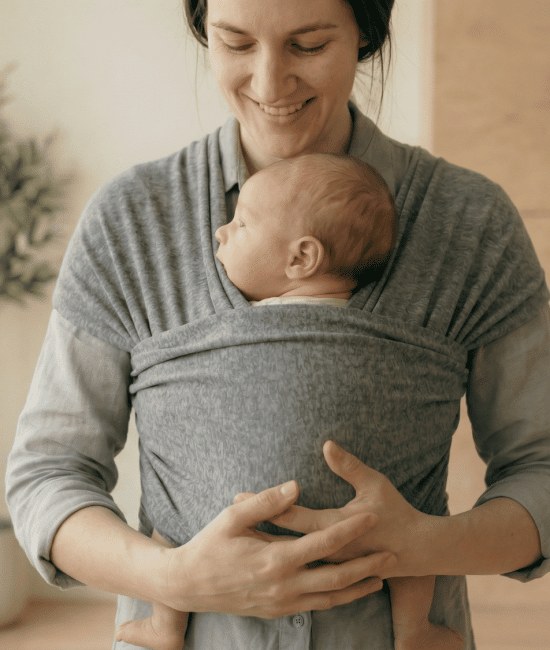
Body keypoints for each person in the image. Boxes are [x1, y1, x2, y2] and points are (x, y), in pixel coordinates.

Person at [5, 1, 550, 649]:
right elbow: (47, 477)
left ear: (365, 34)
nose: (268, 83)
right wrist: (174, 578)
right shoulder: (132, 222)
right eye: (235, 43)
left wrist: (424, 546)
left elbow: (540, 466)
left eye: (309, 45)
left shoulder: (468, 223)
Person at [114, 153, 461, 650]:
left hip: (228, 516)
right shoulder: (392, 336)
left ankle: (162, 628)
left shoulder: (249, 322)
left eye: (242, 223)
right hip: (362, 533)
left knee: (177, 509)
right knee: (414, 512)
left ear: (300, 259)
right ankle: (415, 632)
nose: (220, 231)